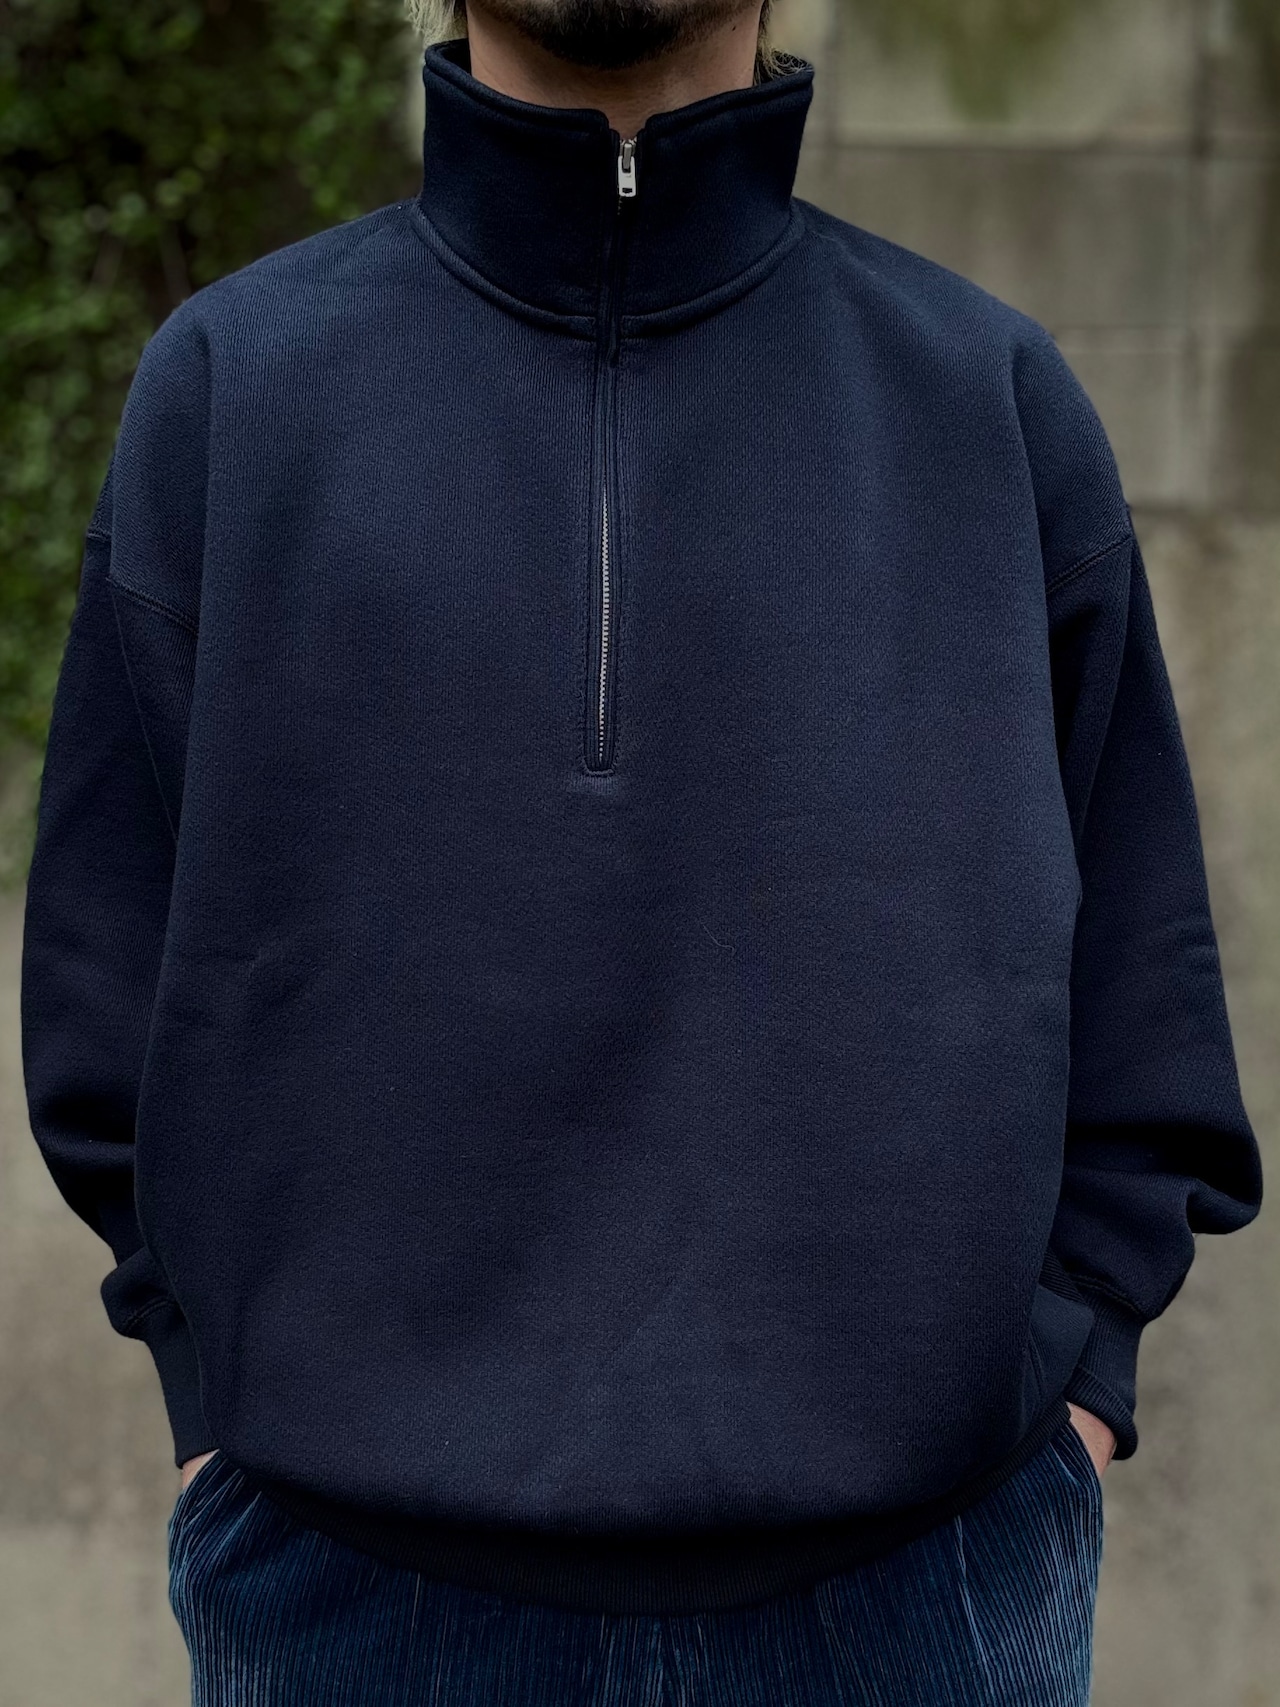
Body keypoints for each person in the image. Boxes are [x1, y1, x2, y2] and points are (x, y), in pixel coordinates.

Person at [19, 0, 1263, 1697]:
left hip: (925, 1593)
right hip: (350, 1595)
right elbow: (106, 964)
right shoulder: (234, 388)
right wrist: (202, 1390)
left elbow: (1143, 974)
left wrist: (1081, 1384)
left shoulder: (989, 397)